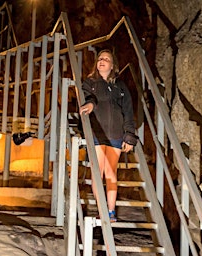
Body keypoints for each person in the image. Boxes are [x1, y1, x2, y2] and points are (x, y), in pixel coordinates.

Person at [79, 49, 138, 222]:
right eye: (100, 58)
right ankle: (102, 209)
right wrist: (90, 104)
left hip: (115, 133)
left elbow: (128, 110)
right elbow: (87, 97)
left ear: (112, 66)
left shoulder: (120, 86)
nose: (102, 61)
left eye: (106, 59)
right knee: (98, 172)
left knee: (111, 172)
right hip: (97, 132)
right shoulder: (90, 82)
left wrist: (129, 135)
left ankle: (111, 211)